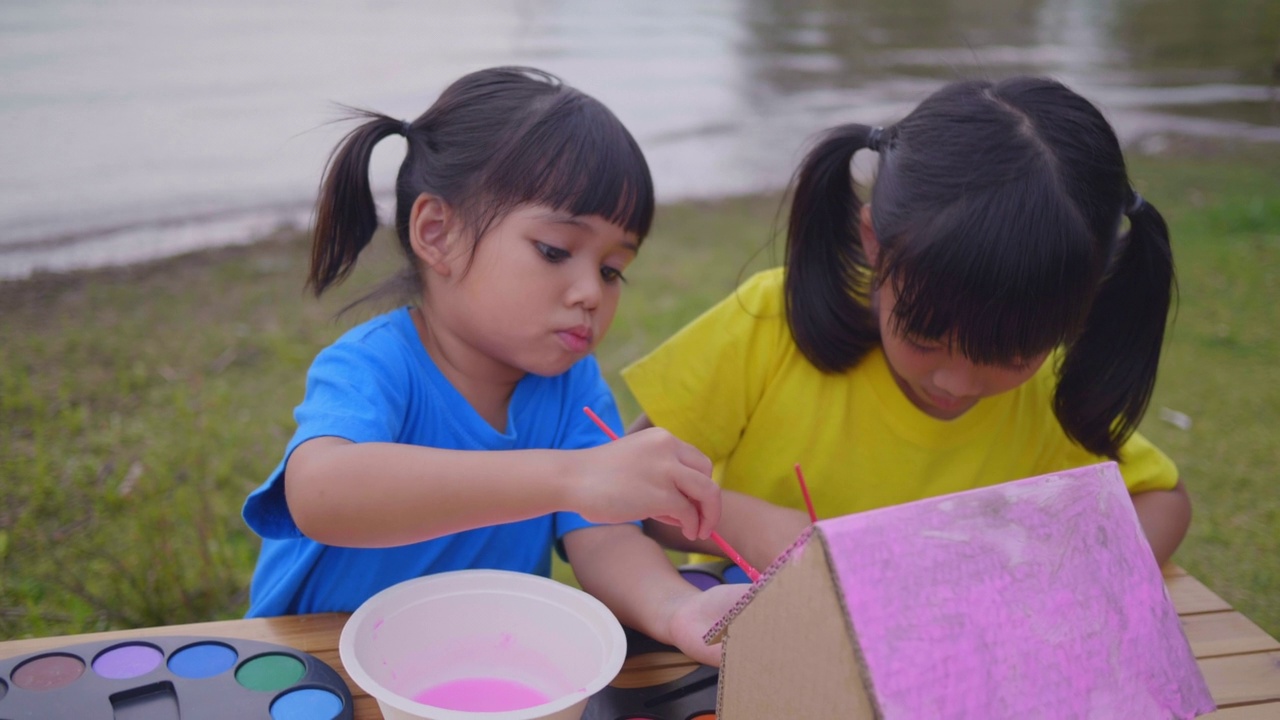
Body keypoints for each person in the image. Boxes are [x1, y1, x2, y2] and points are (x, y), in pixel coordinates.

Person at [242, 67, 741, 665]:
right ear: (438, 233)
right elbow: (322, 494)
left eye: (612, 269)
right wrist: (572, 476)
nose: (590, 292)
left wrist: (676, 608)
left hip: (476, 669)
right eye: (555, 251)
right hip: (316, 668)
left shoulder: (570, 386)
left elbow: (603, 531)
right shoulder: (377, 364)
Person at [622, 76, 1191, 573]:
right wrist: (754, 525)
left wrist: (1051, 576)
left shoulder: (1049, 397)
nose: (956, 384)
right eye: (924, 337)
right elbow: (626, 488)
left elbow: (1161, 501)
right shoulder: (770, 325)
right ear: (875, 242)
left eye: (1014, 355)